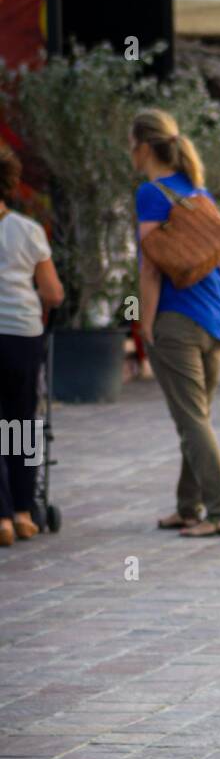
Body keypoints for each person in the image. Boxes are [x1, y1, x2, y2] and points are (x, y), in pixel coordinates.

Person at [132, 109, 220, 537]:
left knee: (192, 420)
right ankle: (188, 505)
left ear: (142, 147)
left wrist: (145, 323)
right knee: (196, 417)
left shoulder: (150, 193)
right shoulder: (199, 189)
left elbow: (150, 268)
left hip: (177, 319)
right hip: (218, 317)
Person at [0, 141, 64, 548]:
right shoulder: (28, 230)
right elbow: (53, 292)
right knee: (20, 423)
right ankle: (24, 511)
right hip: (23, 336)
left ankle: (2, 517)